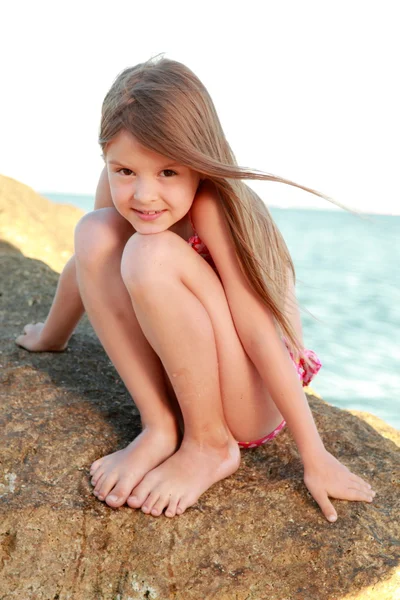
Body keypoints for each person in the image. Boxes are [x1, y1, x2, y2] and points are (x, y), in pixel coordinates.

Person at [16, 56, 375, 521]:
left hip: (252, 396)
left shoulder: (215, 205)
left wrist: (315, 455)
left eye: (168, 173)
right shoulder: (116, 182)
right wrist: (51, 336)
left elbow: (256, 328)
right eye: (125, 171)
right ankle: (160, 426)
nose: (144, 194)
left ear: (199, 162)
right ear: (107, 156)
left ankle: (209, 445)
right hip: (192, 373)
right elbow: (86, 265)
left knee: (150, 254)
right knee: (94, 230)